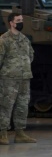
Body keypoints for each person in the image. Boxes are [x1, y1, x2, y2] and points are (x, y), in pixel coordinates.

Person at [0, 13, 37, 145]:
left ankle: (20, 133)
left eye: (21, 20)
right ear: (11, 23)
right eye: (18, 20)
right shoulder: (4, 39)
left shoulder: (24, 39)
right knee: (6, 105)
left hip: (24, 78)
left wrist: (23, 67)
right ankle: (2, 133)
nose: (21, 22)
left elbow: (31, 55)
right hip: (9, 78)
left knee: (22, 105)